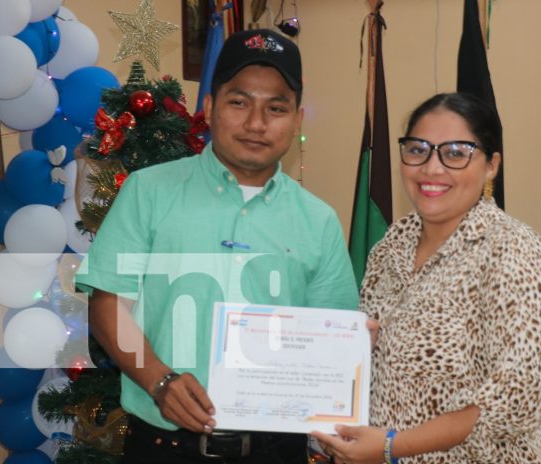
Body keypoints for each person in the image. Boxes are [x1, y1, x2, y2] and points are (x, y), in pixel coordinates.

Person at [75, 29, 359, 464]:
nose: (256, 123)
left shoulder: (318, 220)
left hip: (275, 451)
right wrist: (159, 380)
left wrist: (349, 347)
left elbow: (329, 336)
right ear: (209, 107)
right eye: (239, 102)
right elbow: (109, 304)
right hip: (162, 448)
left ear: (297, 120)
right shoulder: (148, 192)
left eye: (276, 108)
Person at [312, 92, 541, 464]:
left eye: (456, 153)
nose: (431, 168)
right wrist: (360, 345)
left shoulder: (513, 249)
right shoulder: (390, 246)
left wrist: (390, 446)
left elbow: (516, 398)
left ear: (491, 165)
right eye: (418, 150)